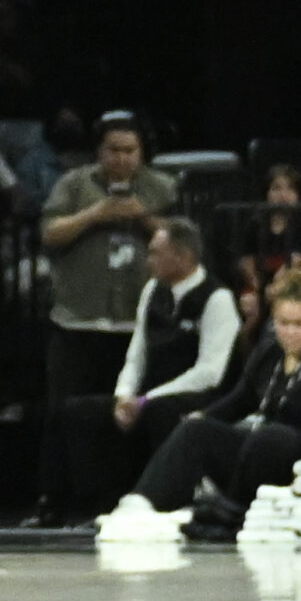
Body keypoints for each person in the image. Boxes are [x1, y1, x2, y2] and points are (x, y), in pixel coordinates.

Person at [131, 268, 301, 536]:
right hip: (267, 452)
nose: (290, 332)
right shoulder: (269, 352)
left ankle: (231, 510)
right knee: (195, 430)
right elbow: (239, 401)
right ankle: (143, 505)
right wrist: (203, 417)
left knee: (270, 437)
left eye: (299, 324)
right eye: (283, 323)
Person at [36, 216, 237, 524]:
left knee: (161, 413)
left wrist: (146, 400)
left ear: (182, 257)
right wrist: (123, 396)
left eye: (156, 253)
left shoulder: (217, 298)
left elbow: (210, 372)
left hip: (197, 397)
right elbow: (137, 355)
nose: (148, 260)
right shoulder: (152, 290)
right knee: (76, 412)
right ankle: (85, 507)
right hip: (146, 396)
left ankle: (165, 505)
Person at [38, 113, 177, 406]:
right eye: (113, 150)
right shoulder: (73, 184)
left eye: (129, 151)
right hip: (78, 321)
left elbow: (186, 242)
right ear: (99, 151)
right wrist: (94, 215)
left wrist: (144, 217)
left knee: (131, 412)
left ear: (142, 153)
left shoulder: (163, 186)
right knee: (71, 411)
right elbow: (49, 233)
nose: (121, 158)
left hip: (139, 323)